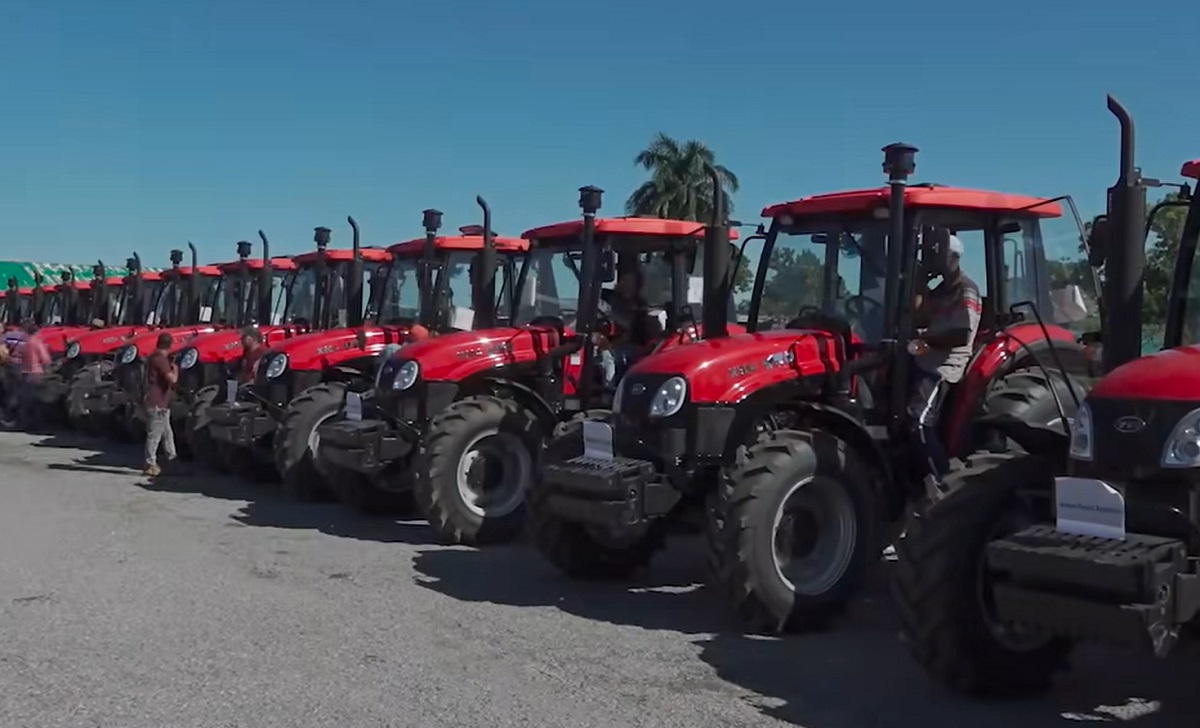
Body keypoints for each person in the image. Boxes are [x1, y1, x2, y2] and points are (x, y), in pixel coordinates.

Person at [906, 233, 981, 495]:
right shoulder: (939, 291)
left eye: (935, 257)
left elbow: (961, 334)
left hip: (944, 364)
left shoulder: (967, 290)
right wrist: (919, 285)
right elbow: (918, 317)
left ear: (953, 258)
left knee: (918, 421)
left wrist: (926, 338)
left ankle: (943, 483)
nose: (931, 262)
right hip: (925, 357)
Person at [143, 332, 180, 476]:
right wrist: (175, 371)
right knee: (155, 435)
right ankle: (150, 463)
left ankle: (172, 458)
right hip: (157, 402)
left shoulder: (152, 357)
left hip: (160, 403)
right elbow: (172, 379)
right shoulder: (161, 360)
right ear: (170, 345)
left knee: (167, 433)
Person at [16, 320, 50, 431]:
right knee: (36, 400)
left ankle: (26, 423)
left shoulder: (25, 343)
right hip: (37, 372)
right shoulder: (37, 342)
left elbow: (20, 356)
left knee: (26, 401)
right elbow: (46, 359)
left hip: (25, 372)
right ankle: (36, 424)